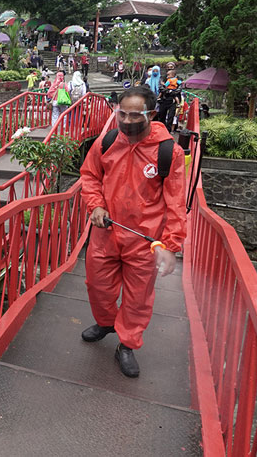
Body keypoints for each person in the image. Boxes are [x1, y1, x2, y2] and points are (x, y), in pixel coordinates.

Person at [79, 86, 186, 378]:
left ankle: (127, 344)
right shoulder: (108, 140)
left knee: (138, 298)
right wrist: (96, 205)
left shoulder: (168, 152)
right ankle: (106, 322)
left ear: (150, 114)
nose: (126, 120)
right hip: (106, 233)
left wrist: (171, 245)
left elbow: (176, 202)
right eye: (121, 113)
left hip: (144, 240)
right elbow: (90, 176)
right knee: (98, 286)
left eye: (134, 115)